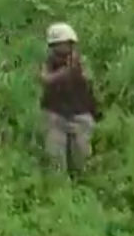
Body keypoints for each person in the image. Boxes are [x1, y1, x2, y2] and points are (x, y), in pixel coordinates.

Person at [38, 22, 101, 177]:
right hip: (55, 115)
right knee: (55, 162)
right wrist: (67, 71)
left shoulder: (79, 62)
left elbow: (89, 81)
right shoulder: (49, 63)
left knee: (82, 160)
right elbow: (45, 79)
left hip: (80, 115)